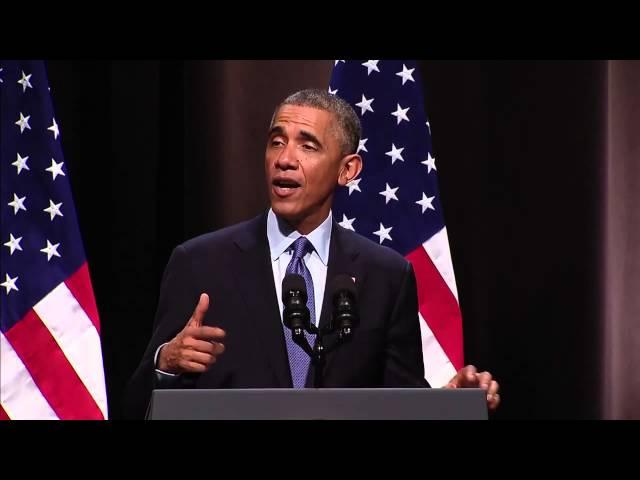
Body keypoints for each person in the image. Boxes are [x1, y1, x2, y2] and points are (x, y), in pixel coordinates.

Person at [123, 88, 500, 419]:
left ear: (347, 169)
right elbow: (134, 406)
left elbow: (399, 401)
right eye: (276, 141)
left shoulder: (386, 275)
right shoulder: (200, 263)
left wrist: (449, 404)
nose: (285, 159)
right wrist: (166, 364)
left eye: (307, 145)